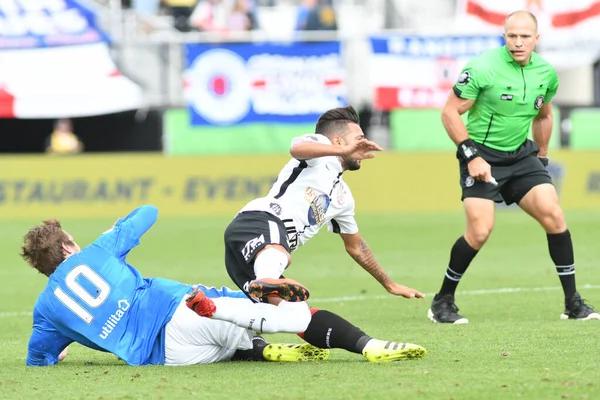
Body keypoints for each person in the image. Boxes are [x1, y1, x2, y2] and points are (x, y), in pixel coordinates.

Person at [427, 10, 600, 324]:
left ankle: (573, 304)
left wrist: (542, 158)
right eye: (512, 36)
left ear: (536, 39)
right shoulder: (482, 68)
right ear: (504, 36)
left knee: (555, 215)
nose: (518, 43)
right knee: (480, 231)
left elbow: (544, 115)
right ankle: (442, 302)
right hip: (480, 155)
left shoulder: (546, 73)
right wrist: (471, 156)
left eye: (524, 37)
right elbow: (450, 113)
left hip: (522, 157)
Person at [222, 105, 427, 360]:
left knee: (296, 316)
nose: (364, 144)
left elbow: (356, 246)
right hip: (261, 220)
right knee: (280, 253)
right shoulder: (319, 151)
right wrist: (341, 150)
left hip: (248, 255)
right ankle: (266, 280)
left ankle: (367, 346)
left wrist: (390, 283)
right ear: (338, 140)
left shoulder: (343, 197)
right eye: (359, 138)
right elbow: (296, 147)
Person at [20, 205, 330, 366]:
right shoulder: (97, 251)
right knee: (254, 304)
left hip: (168, 358)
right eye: (73, 241)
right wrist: (114, 229)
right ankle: (351, 339)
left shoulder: (46, 309)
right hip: (181, 315)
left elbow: (36, 358)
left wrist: (53, 355)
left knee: (225, 347)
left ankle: (258, 350)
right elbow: (148, 212)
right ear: (67, 248)